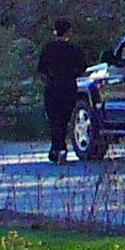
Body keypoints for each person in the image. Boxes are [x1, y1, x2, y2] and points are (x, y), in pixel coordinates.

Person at [35, 19, 85, 164]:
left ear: (55, 31)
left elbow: (41, 69)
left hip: (52, 87)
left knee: (54, 120)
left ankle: (58, 148)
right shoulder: (74, 49)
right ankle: (58, 148)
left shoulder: (48, 48)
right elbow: (82, 67)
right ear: (68, 31)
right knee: (64, 119)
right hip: (69, 87)